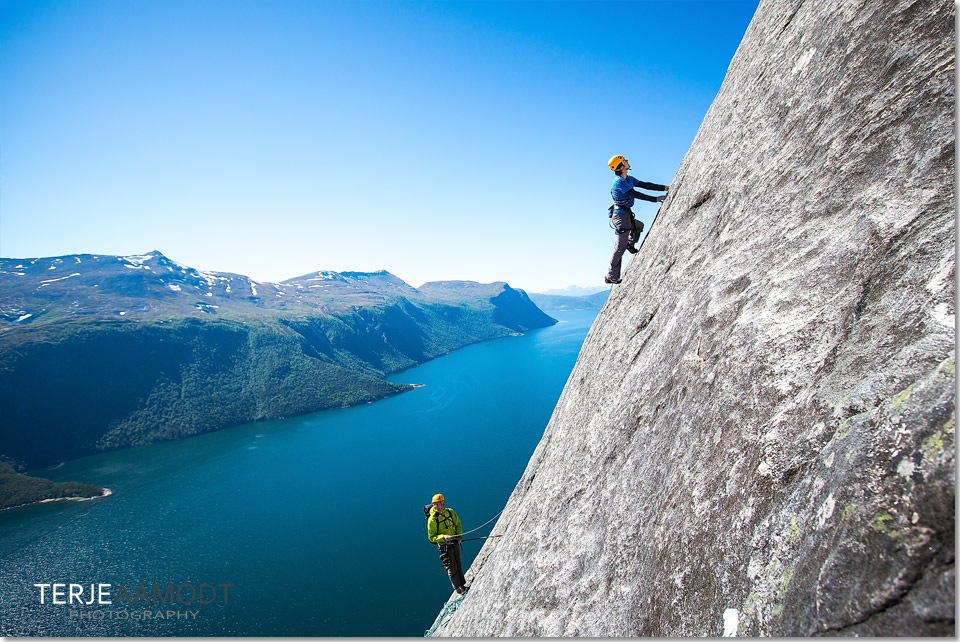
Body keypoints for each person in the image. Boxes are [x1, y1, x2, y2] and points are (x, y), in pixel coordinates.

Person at [605, 154, 669, 284]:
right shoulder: (619, 182)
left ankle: (630, 243)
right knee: (619, 247)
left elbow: (645, 185)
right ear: (621, 166)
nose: (627, 161)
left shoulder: (628, 179)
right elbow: (635, 194)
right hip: (621, 216)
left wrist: (664, 188)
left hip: (625, 215)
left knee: (638, 226)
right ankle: (611, 276)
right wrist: (655, 199)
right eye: (624, 161)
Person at [426, 493, 468, 594]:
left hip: (454, 542)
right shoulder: (432, 520)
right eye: (435, 504)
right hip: (444, 546)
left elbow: (458, 524)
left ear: (443, 502)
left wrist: (459, 535)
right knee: (451, 567)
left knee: (458, 564)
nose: (437, 506)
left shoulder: (450, 512)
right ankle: (457, 589)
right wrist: (443, 537)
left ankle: (462, 585)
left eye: (439, 503)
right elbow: (431, 538)